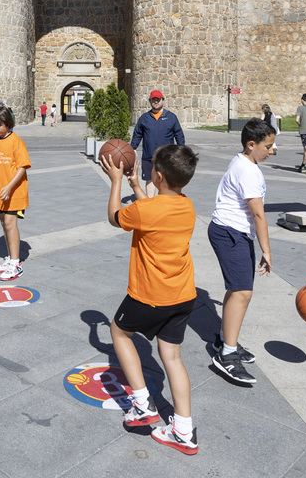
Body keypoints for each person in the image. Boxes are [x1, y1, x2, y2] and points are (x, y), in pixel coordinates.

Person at [99, 143, 200, 455]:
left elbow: (115, 216)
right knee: (172, 357)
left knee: (119, 332)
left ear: (156, 176)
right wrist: (135, 186)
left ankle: (143, 405)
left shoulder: (146, 210)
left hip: (150, 294)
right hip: (183, 294)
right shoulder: (188, 206)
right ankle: (183, 430)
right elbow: (153, 216)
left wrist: (116, 181)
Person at [209, 119, 276, 385]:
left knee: (237, 289)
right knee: (242, 292)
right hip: (229, 232)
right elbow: (258, 214)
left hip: (232, 231)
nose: (271, 151)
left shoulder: (245, 162)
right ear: (251, 144)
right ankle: (226, 355)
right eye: (268, 146)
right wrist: (267, 251)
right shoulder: (248, 170)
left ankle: (226, 340)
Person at [0, 105, 30, 281]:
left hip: (14, 192)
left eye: (0, 124)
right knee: (4, 223)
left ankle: (16, 264)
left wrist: (10, 186)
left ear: (8, 123)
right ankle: (10, 259)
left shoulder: (16, 141)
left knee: (10, 224)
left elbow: (22, 168)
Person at [130, 90, 186, 196]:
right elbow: (137, 133)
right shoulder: (144, 118)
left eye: (158, 99)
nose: (156, 102)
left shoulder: (171, 117)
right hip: (148, 157)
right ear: (150, 101)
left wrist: (181, 150)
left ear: (163, 101)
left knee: (166, 180)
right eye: (153, 100)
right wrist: (133, 147)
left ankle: (164, 203)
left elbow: (179, 134)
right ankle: (151, 202)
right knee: (150, 180)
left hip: (166, 157)